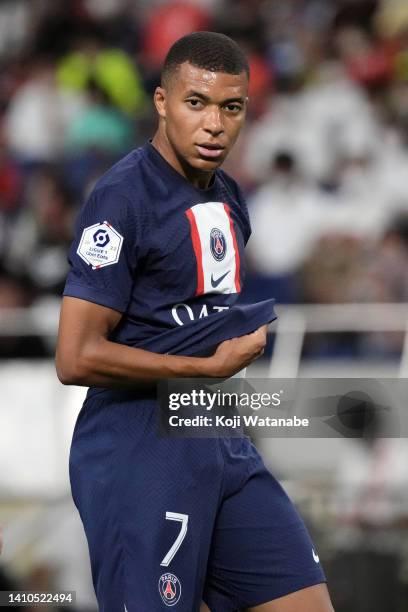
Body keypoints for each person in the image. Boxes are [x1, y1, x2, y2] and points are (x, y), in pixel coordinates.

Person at [56, 32, 334, 612]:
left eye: (230, 108)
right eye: (196, 103)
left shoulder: (229, 198)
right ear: (162, 102)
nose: (214, 124)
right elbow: (75, 357)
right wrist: (203, 367)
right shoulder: (121, 199)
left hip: (217, 437)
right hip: (138, 448)